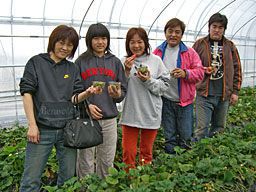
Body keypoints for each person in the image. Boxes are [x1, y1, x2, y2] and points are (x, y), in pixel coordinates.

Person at [19, 25, 98, 191]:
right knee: (31, 180)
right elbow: (27, 93)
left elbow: (74, 98)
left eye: (70, 45)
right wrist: (32, 125)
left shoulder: (72, 68)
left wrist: (87, 93)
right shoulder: (36, 62)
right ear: (53, 41)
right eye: (61, 43)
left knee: (68, 178)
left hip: (67, 131)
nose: (65, 48)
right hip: (42, 130)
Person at [76, 23, 127, 179]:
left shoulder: (115, 62)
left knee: (106, 160)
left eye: (104, 38)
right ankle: (85, 189)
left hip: (109, 118)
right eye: (96, 38)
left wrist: (117, 94)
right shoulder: (81, 61)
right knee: (86, 160)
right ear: (89, 40)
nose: (100, 42)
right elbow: (74, 91)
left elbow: (123, 91)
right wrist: (87, 106)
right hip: (87, 119)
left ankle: (105, 187)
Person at [120, 27, 169, 171]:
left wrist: (148, 80)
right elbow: (119, 88)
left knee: (146, 152)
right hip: (131, 112)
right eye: (132, 42)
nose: (136, 46)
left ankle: (144, 180)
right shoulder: (123, 61)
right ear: (127, 44)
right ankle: (129, 179)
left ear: (146, 43)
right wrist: (126, 71)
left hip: (150, 113)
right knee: (128, 152)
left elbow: (164, 87)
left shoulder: (156, 61)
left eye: (140, 42)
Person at [153, 18, 204, 154]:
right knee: (169, 135)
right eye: (170, 31)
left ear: (182, 35)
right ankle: (171, 163)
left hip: (184, 102)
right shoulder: (158, 52)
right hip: (165, 100)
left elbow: (200, 72)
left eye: (177, 32)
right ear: (165, 33)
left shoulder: (189, 52)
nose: (173, 35)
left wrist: (185, 73)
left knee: (186, 135)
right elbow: (151, 72)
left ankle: (184, 164)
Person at [192, 12, 242, 140]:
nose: (217, 30)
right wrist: (202, 70)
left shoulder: (230, 46)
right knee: (201, 128)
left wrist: (235, 91)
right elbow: (190, 65)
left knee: (219, 128)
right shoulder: (199, 44)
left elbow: (237, 69)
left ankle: (213, 153)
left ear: (224, 30)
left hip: (223, 95)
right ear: (209, 27)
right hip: (204, 94)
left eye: (220, 28)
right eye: (214, 26)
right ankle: (199, 155)